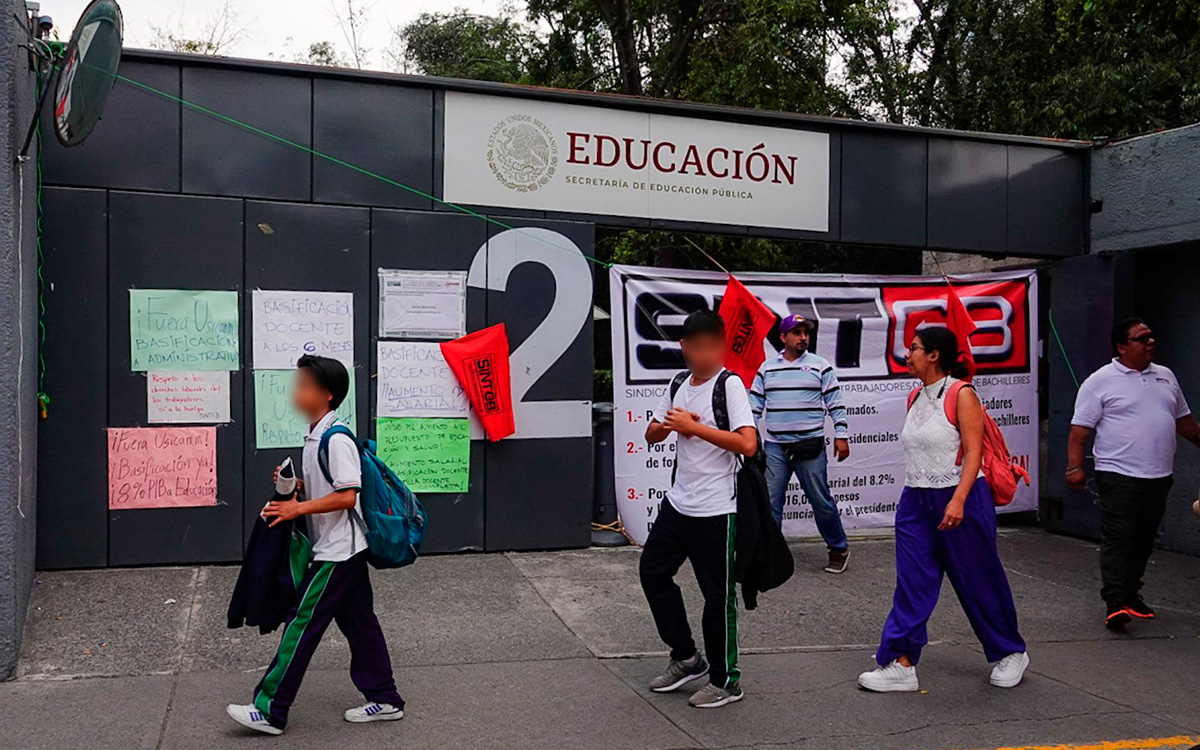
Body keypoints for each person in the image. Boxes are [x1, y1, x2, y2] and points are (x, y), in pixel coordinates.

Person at [226, 355, 405, 735]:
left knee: (300, 625)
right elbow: (329, 488)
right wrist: (295, 485)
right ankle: (385, 698)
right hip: (344, 551)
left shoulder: (336, 438)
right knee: (360, 626)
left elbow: (346, 496)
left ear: (327, 395)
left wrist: (296, 509)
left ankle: (271, 710)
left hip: (337, 553)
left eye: (305, 386)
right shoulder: (316, 435)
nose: (297, 392)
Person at [858, 327, 1028, 693]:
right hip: (916, 500)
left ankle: (1010, 652)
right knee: (912, 581)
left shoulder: (962, 393)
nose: (908, 355)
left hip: (961, 496)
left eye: (914, 349)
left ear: (934, 355)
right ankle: (902, 663)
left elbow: (974, 452)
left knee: (977, 578)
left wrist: (959, 499)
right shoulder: (915, 396)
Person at [641, 310, 758, 709]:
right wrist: (673, 424)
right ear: (685, 348)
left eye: (715, 347)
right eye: (700, 347)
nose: (708, 355)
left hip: (716, 508)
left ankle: (726, 681)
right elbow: (652, 434)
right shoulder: (677, 383)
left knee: (717, 597)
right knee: (652, 572)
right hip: (679, 503)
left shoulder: (730, 386)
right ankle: (686, 658)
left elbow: (747, 444)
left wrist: (696, 428)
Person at [1066, 318, 1200, 629]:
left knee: (1143, 538)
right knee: (1119, 537)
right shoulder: (1100, 381)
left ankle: (1131, 594)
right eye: (1142, 338)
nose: (1151, 342)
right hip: (1118, 474)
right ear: (1122, 347)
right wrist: (1074, 468)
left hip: (1159, 475)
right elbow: (1078, 432)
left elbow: (1187, 426)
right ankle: (1114, 602)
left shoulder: (1166, 377)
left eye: (1152, 337)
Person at [749, 314, 852, 574]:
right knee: (771, 503)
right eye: (797, 332)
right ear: (783, 338)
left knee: (821, 501)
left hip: (809, 446)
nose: (803, 337)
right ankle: (771, 554)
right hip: (775, 448)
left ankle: (838, 548)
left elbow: (835, 403)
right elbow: (754, 406)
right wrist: (748, 435)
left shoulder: (820, 366)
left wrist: (841, 435)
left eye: (806, 332)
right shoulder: (767, 367)